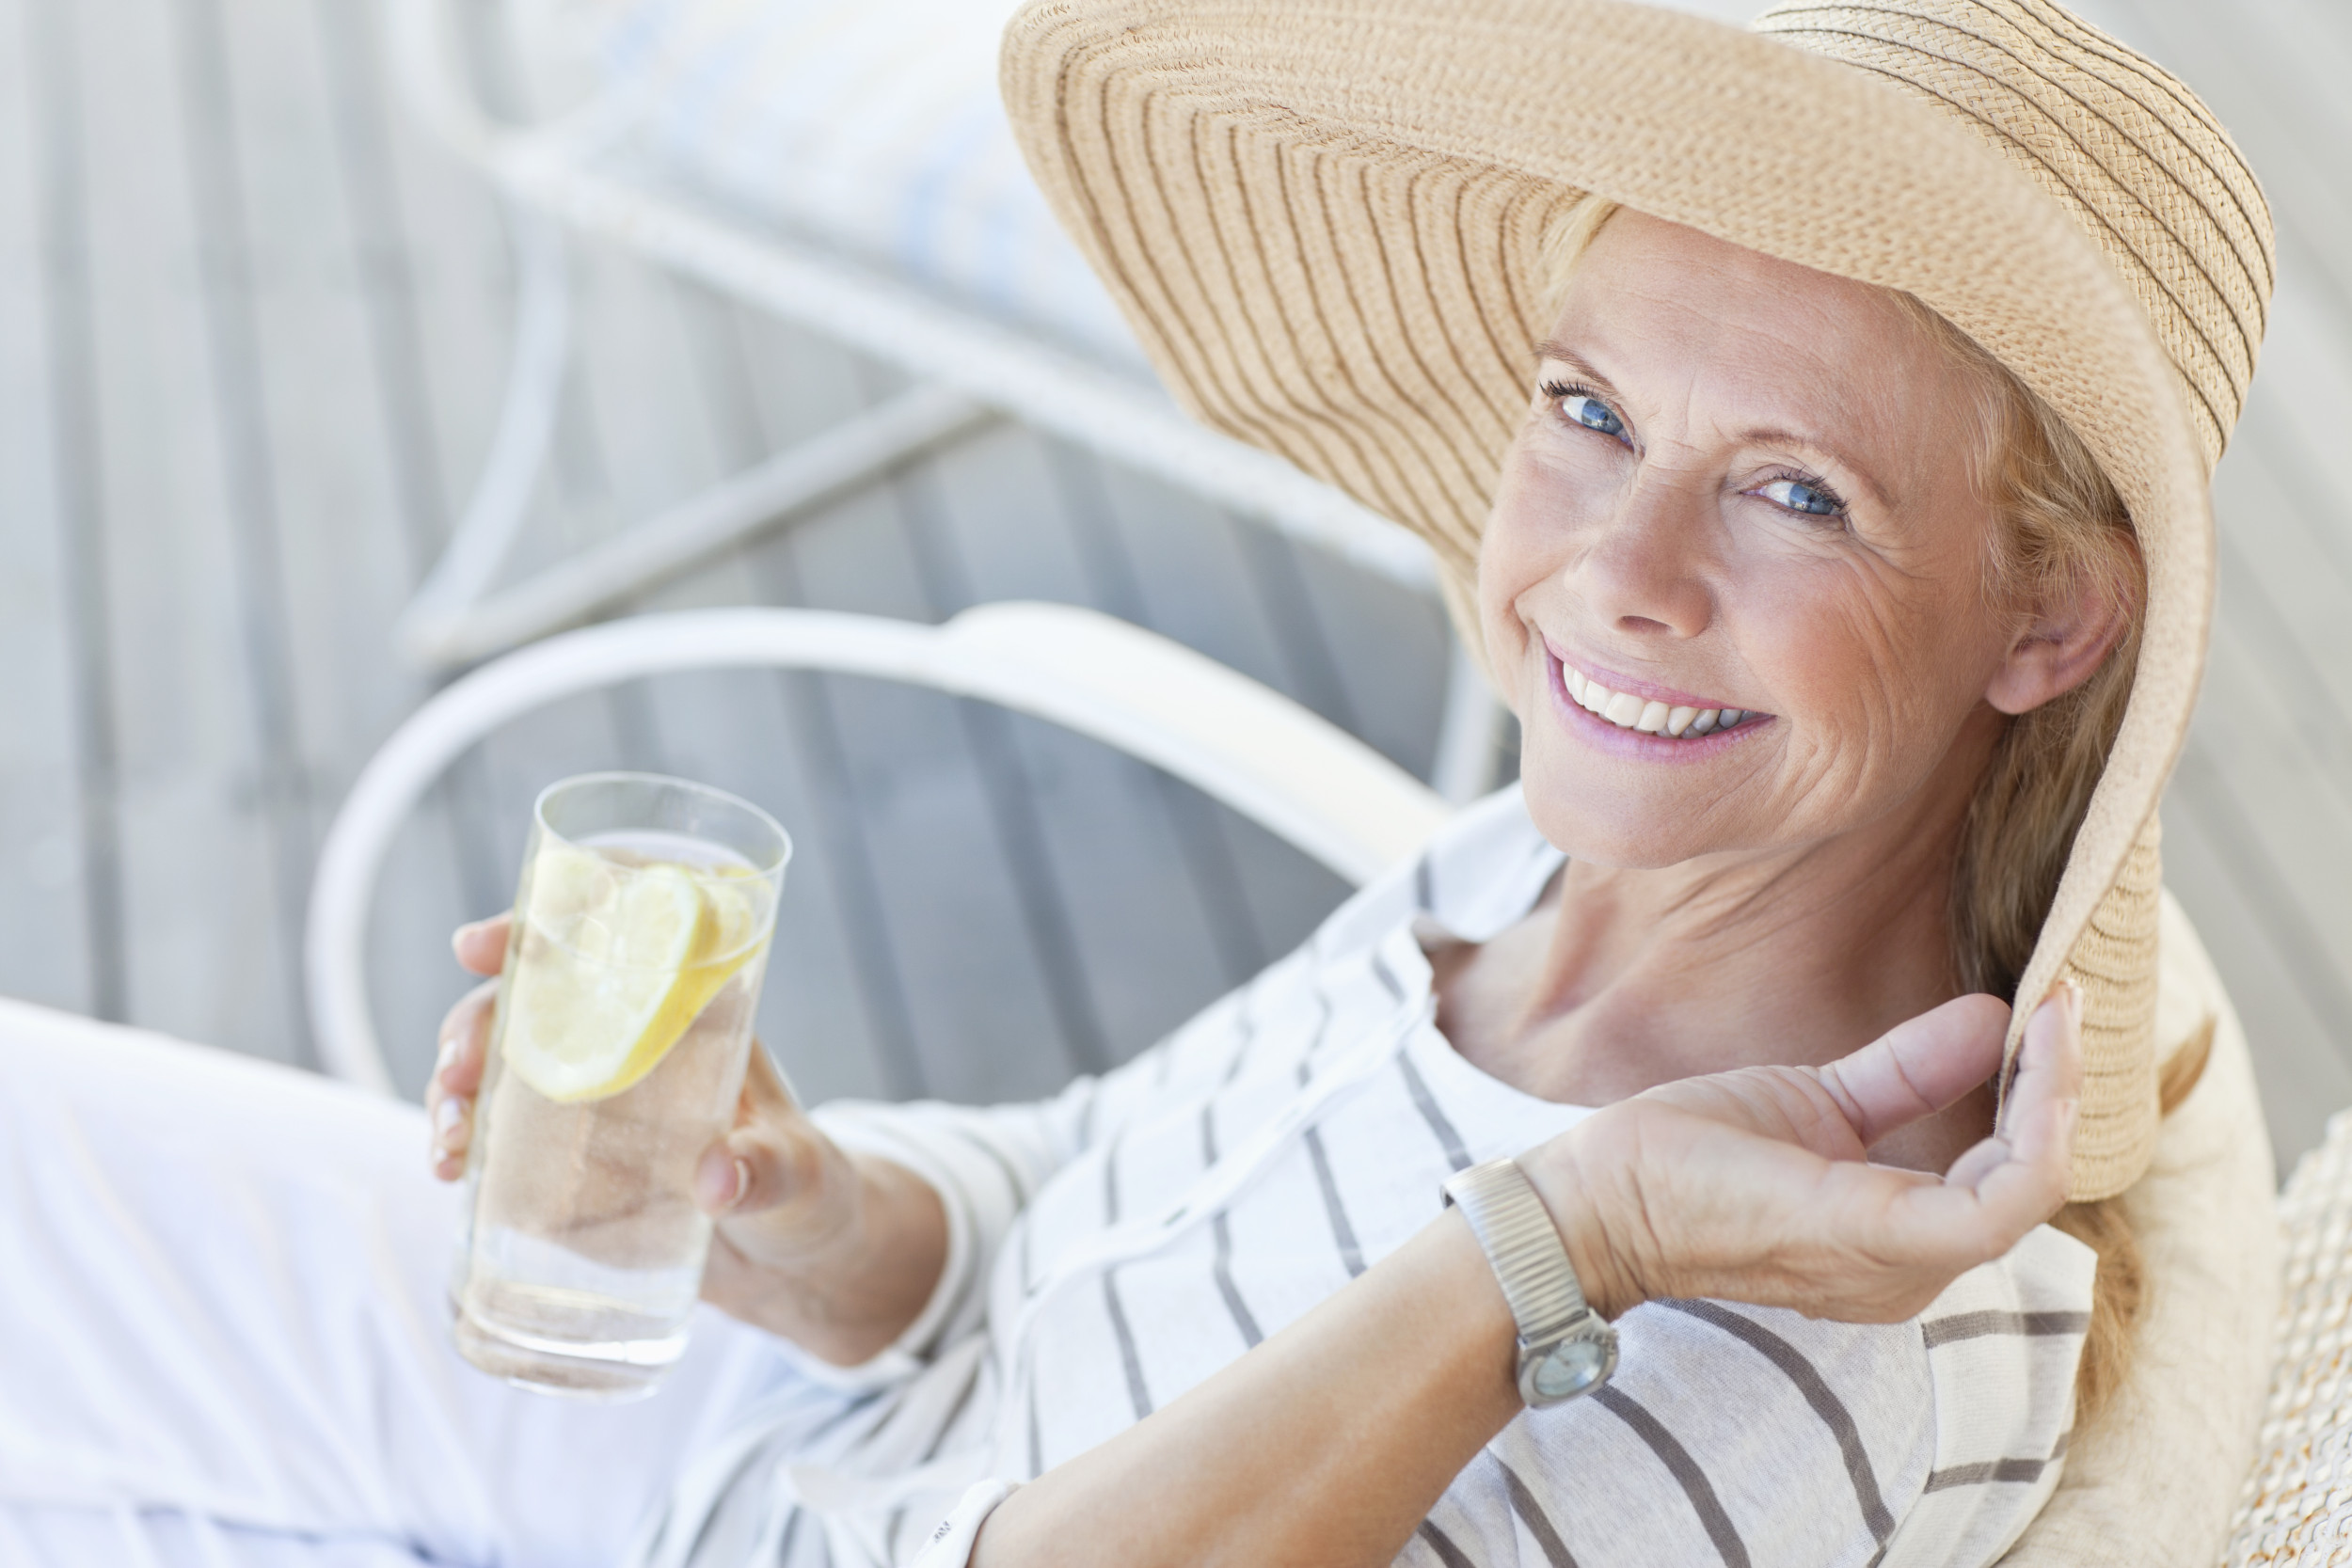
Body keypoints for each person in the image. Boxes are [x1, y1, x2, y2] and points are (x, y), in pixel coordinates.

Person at [0, 0, 2273, 1563]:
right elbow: (1094, 1199)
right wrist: (819, 1215)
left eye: (1792, 496)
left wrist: (1565, 1243)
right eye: (1587, 410)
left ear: (2046, 622)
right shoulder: (1565, 859)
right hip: (786, 1444)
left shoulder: (1835, 1324)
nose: (1616, 572)